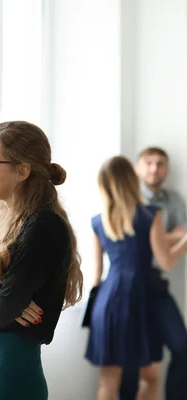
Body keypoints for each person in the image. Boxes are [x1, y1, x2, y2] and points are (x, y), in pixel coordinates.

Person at [0, 121, 83, 400]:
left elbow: (0, 307)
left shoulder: (43, 225)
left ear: (22, 170)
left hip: (8, 372)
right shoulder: (5, 219)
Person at [86, 155, 187, 400]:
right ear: (132, 180)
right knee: (150, 378)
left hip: (108, 302)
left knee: (108, 383)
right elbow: (165, 261)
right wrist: (185, 240)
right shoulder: (151, 215)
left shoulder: (98, 221)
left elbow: (96, 274)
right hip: (141, 299)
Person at [118, 147, 187, 400]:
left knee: (182, 347)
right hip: (130, 287)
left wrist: (155, 238)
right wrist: (166, 239)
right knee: (131, 356)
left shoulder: (174, 200)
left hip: (158, 286)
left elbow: (183, 233)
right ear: (137, 168)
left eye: (160, 164)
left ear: (166, 170)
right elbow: (134, 244)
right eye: (149, 163)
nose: (154, 169)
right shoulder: (129, 199)